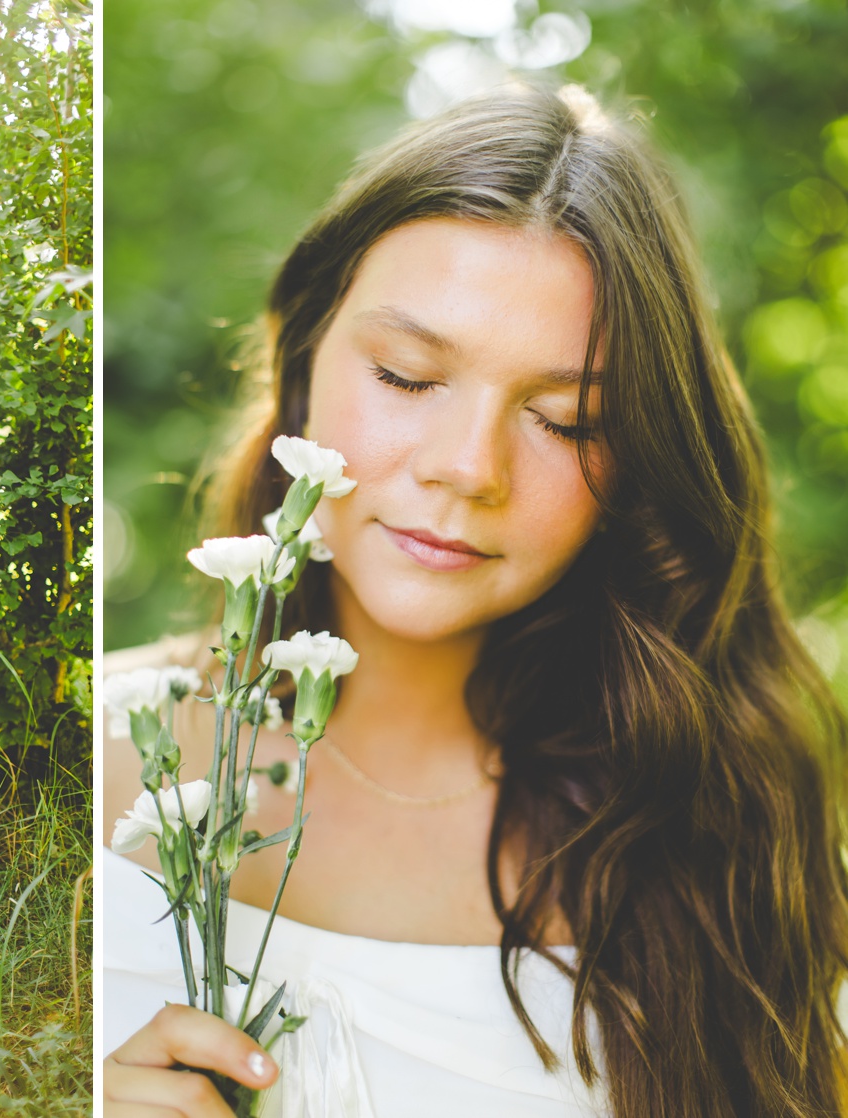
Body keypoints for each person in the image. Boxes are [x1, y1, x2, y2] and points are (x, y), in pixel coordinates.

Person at [102, 83, 848, 1117]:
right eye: (408, 376)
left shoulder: (726, 834)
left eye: (564, 420)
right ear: (304, 358)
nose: (467, 467)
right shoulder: (82, 758)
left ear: (633, 461)